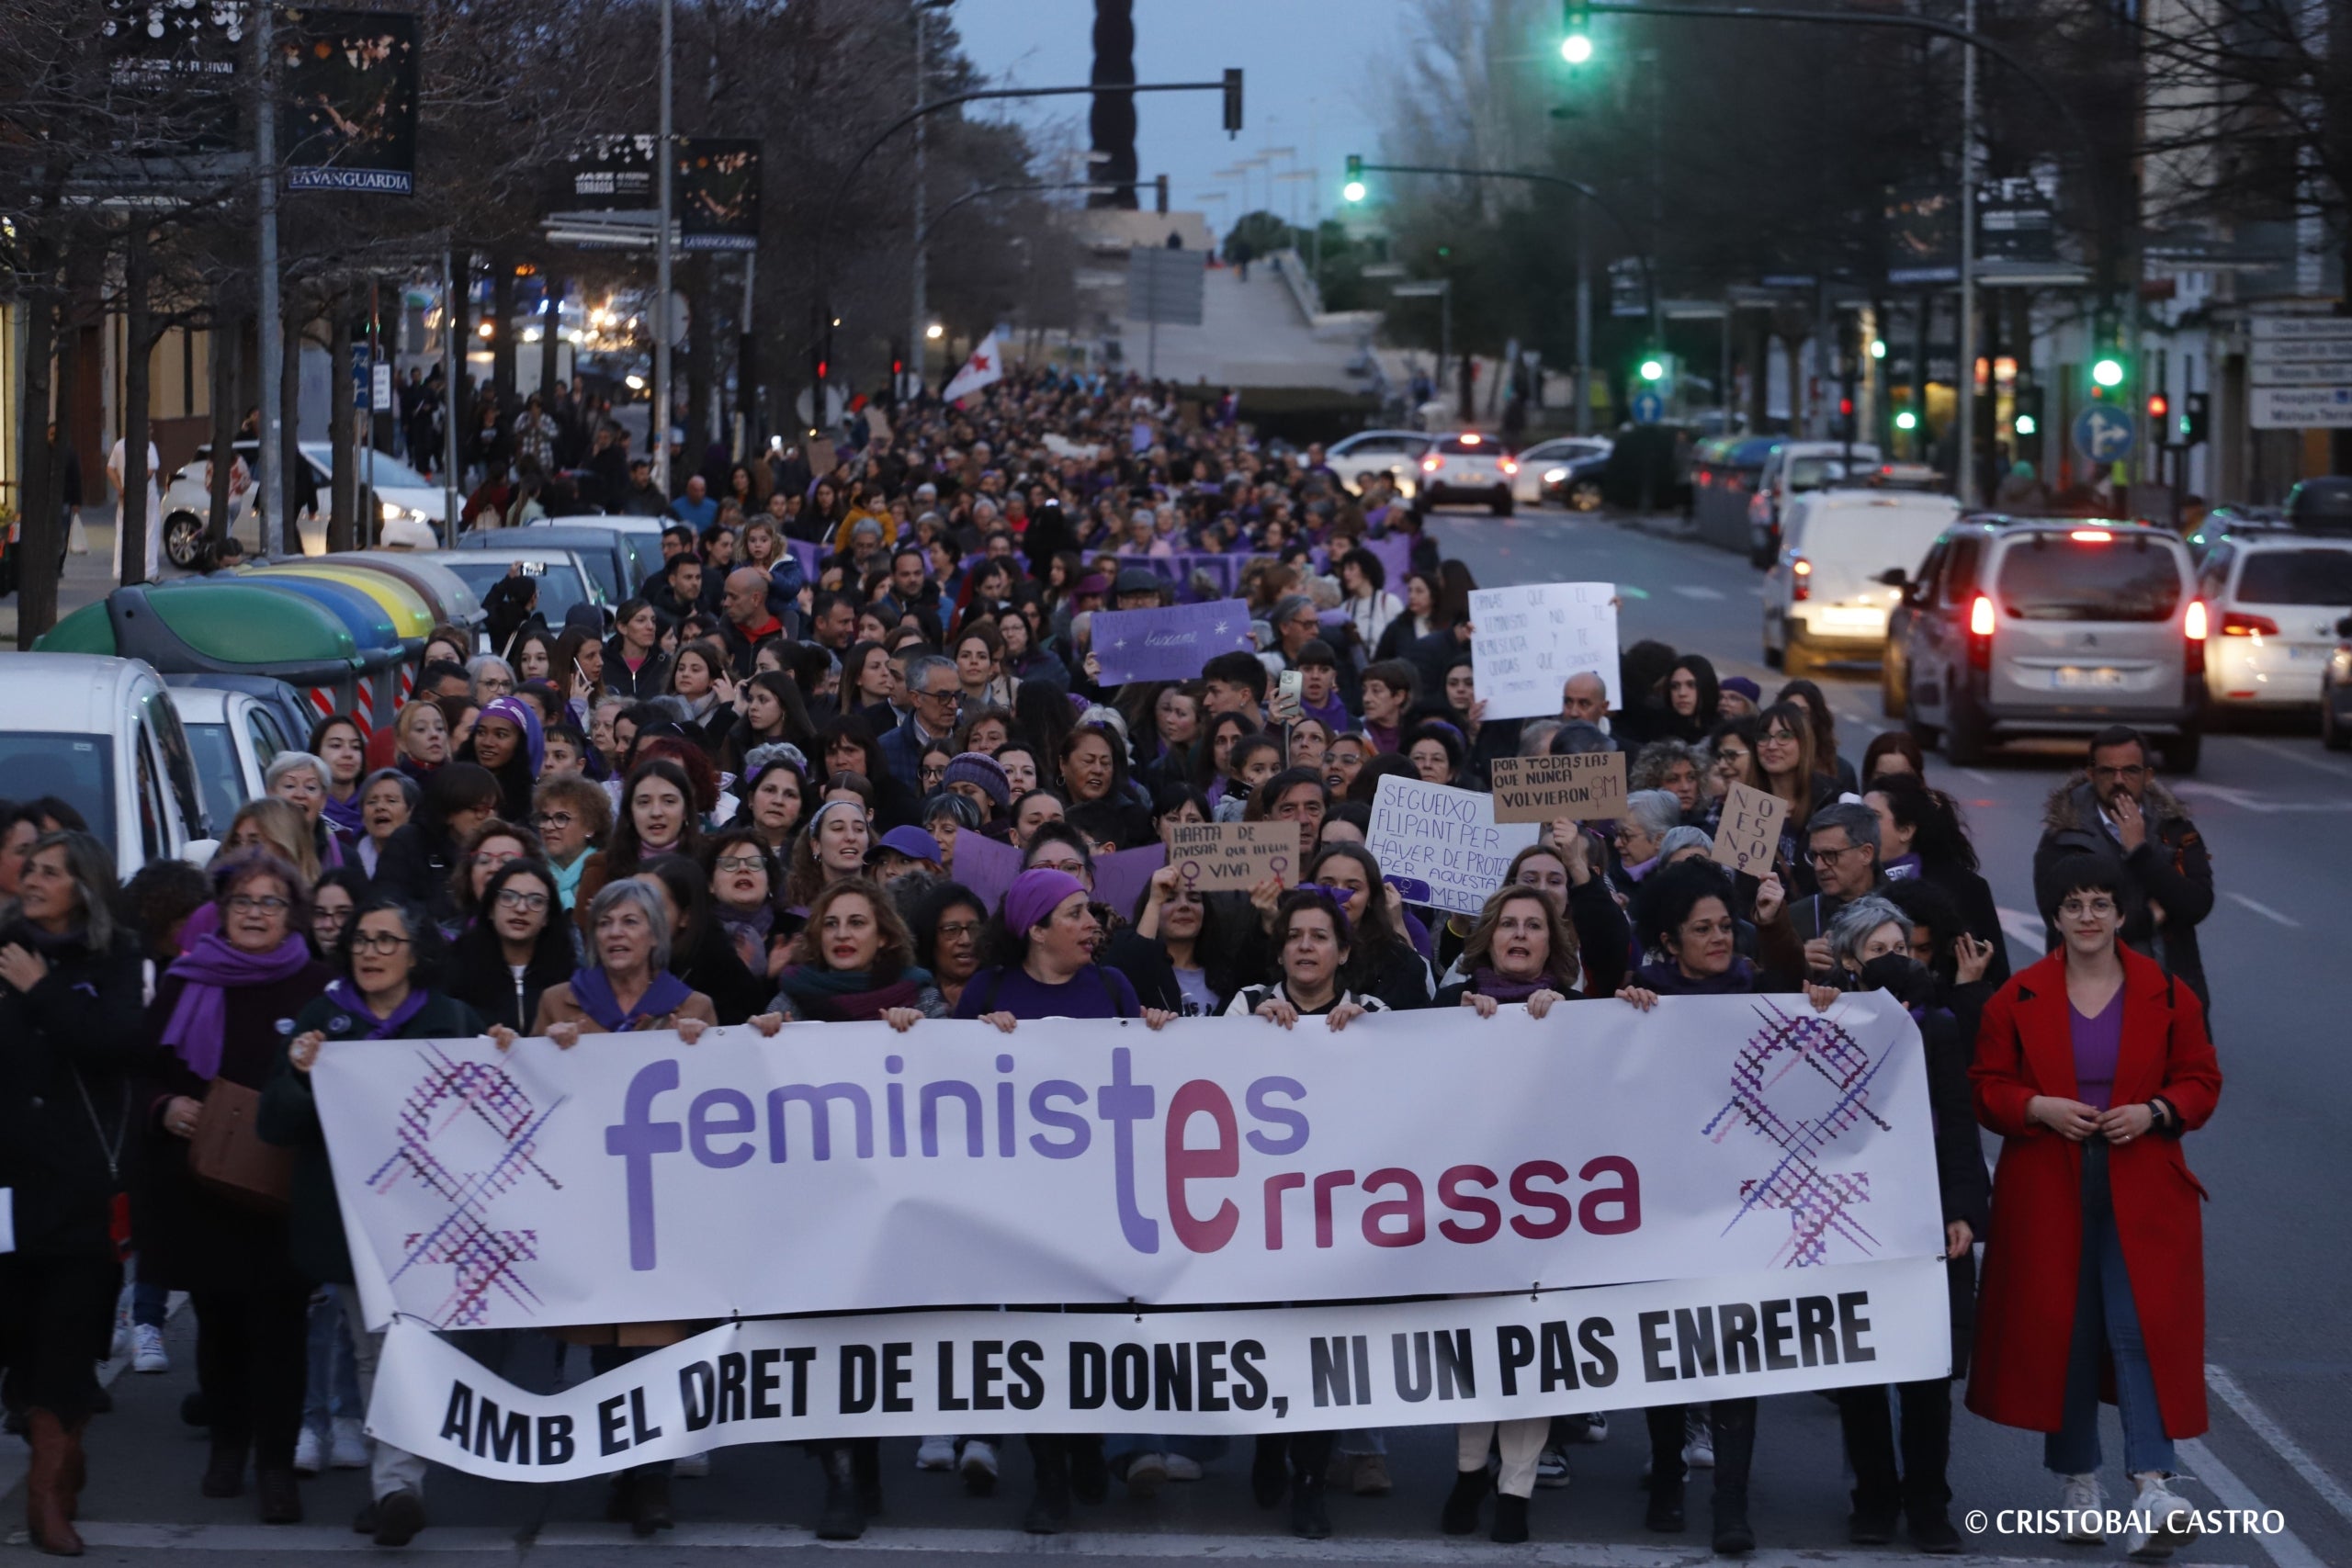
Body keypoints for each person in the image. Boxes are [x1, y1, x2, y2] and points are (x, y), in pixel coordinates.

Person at [1968, 853, 2222, 1561]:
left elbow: (2202, 1078)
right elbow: (1985, 1087)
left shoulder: (2168, 993)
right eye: (2074, 904)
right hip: (2048, 1188)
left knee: (2138, 1328)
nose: (2087, 916)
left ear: (2120, 914)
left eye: (2100, 904)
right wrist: (2037, 1105)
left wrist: (2155, 1110)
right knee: (2066, 1333)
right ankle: (2080, 1484)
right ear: (2055, 916)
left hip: (2144, 1186)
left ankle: (2153, 1484)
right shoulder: (2015, 997)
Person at [260, 894, 484, 1547]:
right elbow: (276, 1122)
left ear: (417, 953)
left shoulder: (450, 1018)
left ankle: (395, 1481)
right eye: (361, 939)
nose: (370, 951)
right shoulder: (322, 1020)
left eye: (387, 940)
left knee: (412, 1346)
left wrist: (500, 1047)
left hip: (435, 1220)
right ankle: (396, 1487)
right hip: (351, 1221)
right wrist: (300, 1074)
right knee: (375, 1347)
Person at [140, 852, 334, 1523]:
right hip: (200, 1183)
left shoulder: (318, 986)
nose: (256, 912)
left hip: (282, 1187)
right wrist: (166, 1105)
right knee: (219, 1324)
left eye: (270, 902)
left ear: (292, 914)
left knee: (279, 1329)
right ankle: (227, 1445)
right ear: (221, 912)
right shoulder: (185, 979)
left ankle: (276, 1465)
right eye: (243, 901)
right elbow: (145, 1070)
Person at [1803, 896, 1986, 1554]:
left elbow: (1959, 1126)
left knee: (1926, 1371)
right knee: (1860, 1372)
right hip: (1851, 1220)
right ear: (1849, 961)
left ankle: (1929, 1500)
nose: (1894, 962)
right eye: (1877, 951)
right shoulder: (1822, 1022)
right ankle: (1873, 1496)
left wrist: (1962, 1210)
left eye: (1902, 949)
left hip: (1926, 1221)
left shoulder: (1936, 1026)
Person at [0, 832, 146, 1555]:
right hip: (6, 1185)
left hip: (83, 1180)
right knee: (20, 1337)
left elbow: (117, 1042)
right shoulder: (1, 948)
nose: (31, 880)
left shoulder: (116, 956)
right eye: (28, 869)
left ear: (83, 887)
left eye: (49, 872)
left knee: (70, 1336)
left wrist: (44, 989)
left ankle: (46, 1496)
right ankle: (55, 1447)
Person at [1224, 886, 1385, 1540]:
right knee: (1269, 1337)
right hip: (1262, 1208)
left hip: (1339, 1211)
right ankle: (1268, 1443)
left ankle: (1311, 1480)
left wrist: (1367, 1040)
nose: (1306, 946)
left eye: (1320, 936)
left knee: (1324, 1349)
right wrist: (1246, 1035)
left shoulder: (1375, 1013)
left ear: (1343, 950)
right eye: (1295, 935)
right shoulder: (1245, 1007)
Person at [2030, 727, 2212, 1013]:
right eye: (2107, 771)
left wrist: (2140, 852)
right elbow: (2065, 923)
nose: (2119, 780)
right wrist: (2150, 917)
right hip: (2088, 1002)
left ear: (2147, 776)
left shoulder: (2175, 828)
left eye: (2130, 770)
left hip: (2170, 995)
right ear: (2091, 775)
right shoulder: (2064, 838)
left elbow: (2196, 904)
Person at [447, 858, 574, 1032]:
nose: (521, 908)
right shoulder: (455, 968)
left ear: (547, 917)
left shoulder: (570, 975)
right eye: (508, 897)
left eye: (536, 901)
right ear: (491, 909)